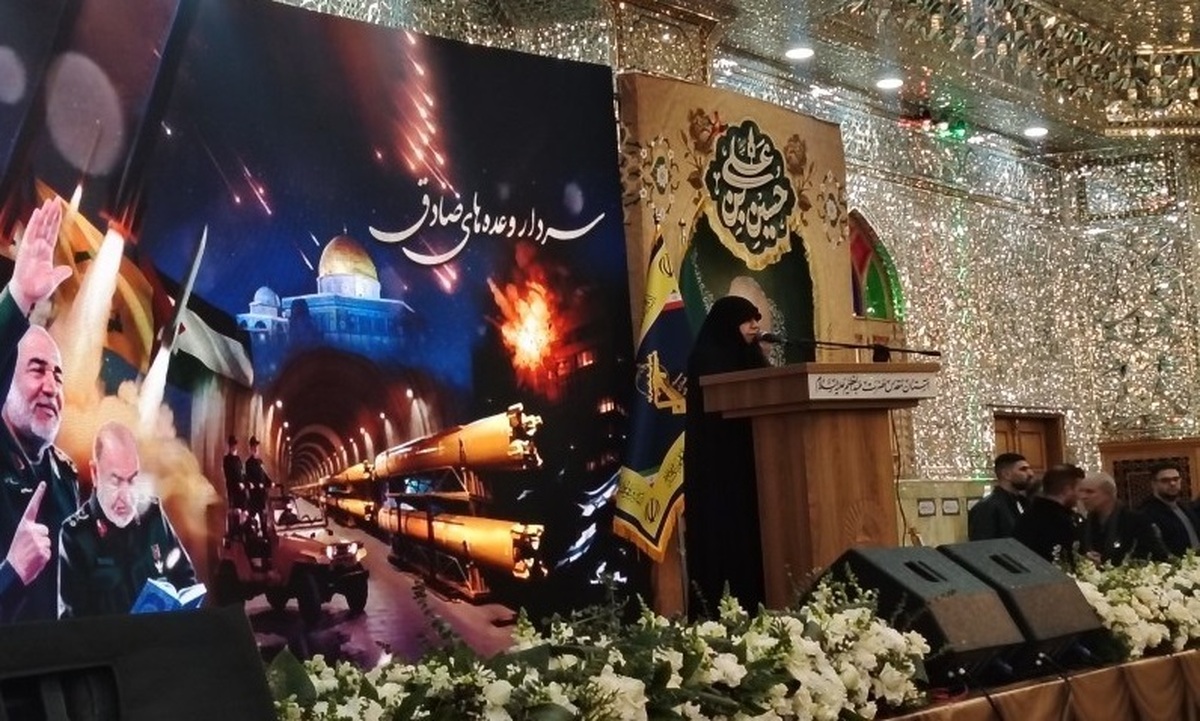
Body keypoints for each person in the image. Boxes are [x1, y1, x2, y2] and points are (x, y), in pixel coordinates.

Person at [0, 198, 78, 623]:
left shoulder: (65, 476)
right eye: (36, 370)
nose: (51, 387)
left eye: (58, 375)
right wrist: (11, 574)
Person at [682, 295, 769, 617]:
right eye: (747, 320)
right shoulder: (707, 357)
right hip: (718, 465)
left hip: (754, 462)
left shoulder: (751, 355)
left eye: (756, 320)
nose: (755, 326)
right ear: (728, 323)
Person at [57, 422, 196, 618]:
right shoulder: (76, 536)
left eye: (132, 480)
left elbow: (186, 578)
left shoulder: (153, 516)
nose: (126, 496)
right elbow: (72, 626)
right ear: (95, 473)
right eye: (115, 481)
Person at [1077, 470, 1168, 564]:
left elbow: (1158, 556)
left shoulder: (1136, 521)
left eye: (1089, 492)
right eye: (1081, 491)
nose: (1083, 496)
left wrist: (1107, 561)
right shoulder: (1085, 525)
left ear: (1108, 494)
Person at [1012, 463, 1084, 564]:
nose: (1081, 496)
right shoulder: (1059, 522)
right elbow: (1066, 562)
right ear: (1067, 490)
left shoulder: (1028, 515)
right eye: (1079, 490)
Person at [1137, 461, 1200, 557]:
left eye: (1176, 479)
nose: (1172, 483)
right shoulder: (1146, 513)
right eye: (1165, 480)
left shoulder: (1186, 508)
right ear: (1154, 484)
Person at [967, 453, 1034, 541]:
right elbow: (983, 544)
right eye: (1023, 469)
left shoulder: (1025, 503)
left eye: (1029, 469)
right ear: (1006, 474)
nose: (1031, 474)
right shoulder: (987, 507)